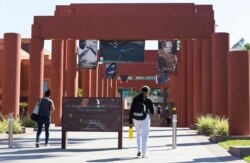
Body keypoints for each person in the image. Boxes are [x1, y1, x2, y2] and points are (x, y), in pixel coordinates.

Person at [129, 85, 156, 158]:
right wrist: (153, 107)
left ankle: (139, 151)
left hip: (135, 118)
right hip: (145, 119)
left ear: (141, 91)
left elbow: (131, 110)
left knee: (138, 134)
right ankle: (144, 154)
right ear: (147, 92)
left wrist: (130, 121)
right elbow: (153, 112)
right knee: (145, 136)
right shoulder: (148, 100)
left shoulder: (135, 98)